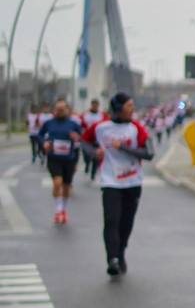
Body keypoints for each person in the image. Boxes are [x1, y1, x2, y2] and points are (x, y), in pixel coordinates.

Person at [81, 93, 154, 277]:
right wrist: (92, 152)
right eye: (129, 105)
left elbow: (149, 153)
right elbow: (84, 141)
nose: (133, 109)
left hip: (132, 181)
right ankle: (112, 259)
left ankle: (121, 251)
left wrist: (123, 147)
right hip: (110, 180)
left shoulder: (137, 127)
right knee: (111, 220)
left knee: (126, 222)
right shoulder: (101, 127)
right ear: (118, 108)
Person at [39, 99, 82, 224]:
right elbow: (41, 135)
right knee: (57, 183)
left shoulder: (72, 124)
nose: (60, 111)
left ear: (67, 110)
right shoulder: (49, 123)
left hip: (68, 158)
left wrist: (76, 137)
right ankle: (57, 210)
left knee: (66, 186)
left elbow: (80, 137)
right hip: (54, 158)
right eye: (58, 109)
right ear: (54, 110)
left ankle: (63, 209)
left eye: (62, 109)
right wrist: (45, 143)